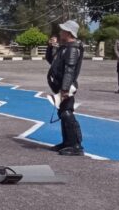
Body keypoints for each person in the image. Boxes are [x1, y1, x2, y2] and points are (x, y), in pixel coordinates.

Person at [45, 20, 85, 156]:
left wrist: (65, 89)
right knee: (63, 113)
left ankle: (75, 146)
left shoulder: (72, 49)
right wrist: (50, 47)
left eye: (63, 30)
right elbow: (52, 61)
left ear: (68, 33)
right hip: (62, 86)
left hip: (66, 87)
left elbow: (69, 70)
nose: (60, 32)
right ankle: (67, 142)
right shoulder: (66, 47)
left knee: (67, 113)